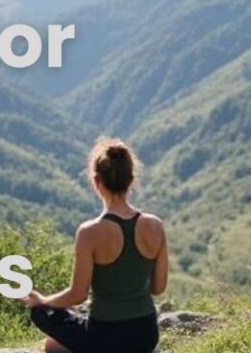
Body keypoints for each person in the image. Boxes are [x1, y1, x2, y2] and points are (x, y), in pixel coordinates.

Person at [18, 137, 168, 353]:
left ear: (96, 182)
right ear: (131, 180)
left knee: (41, 312)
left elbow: (77, 295)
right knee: (53, 345)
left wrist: (42, 300)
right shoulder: (155, 226)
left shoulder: (89, 232)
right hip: (145, 335)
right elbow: (158, 287)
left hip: (104, 336)